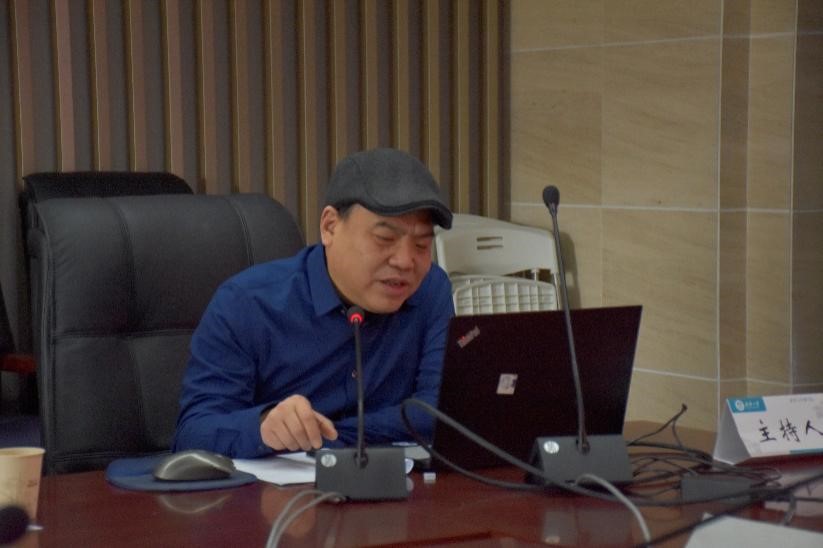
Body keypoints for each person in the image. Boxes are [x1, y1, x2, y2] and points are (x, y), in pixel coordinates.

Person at [172, 148, 454, 458]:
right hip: (275, 489)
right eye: (385, 239)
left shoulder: (430, 290)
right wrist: (263, 428)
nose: (405, 261)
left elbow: (438, 414)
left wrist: (324, 438)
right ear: (330, 226)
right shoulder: (247, 304)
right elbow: (193, 434)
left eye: (421, 245)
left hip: (394, 482)